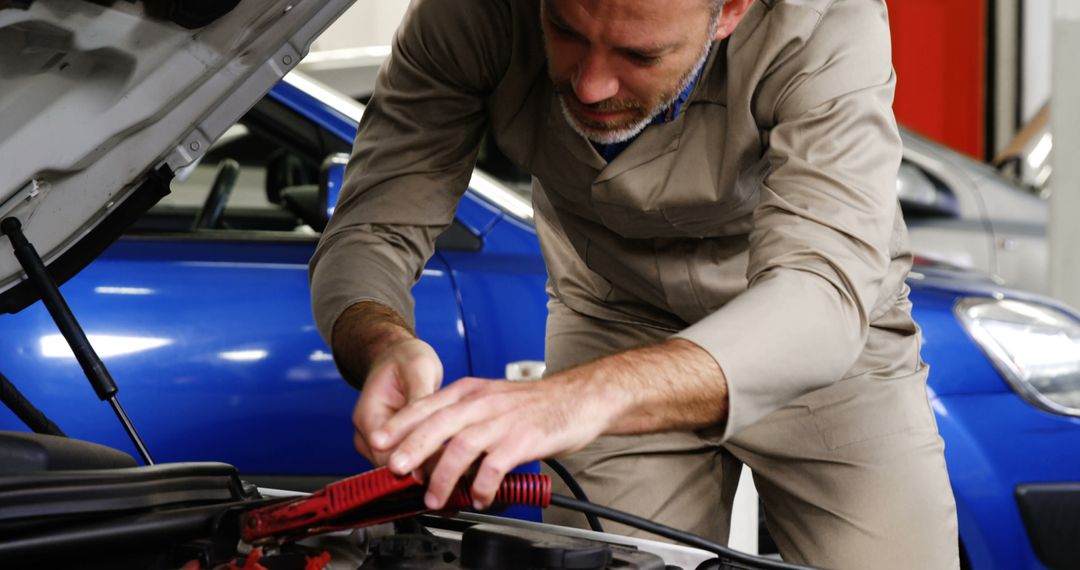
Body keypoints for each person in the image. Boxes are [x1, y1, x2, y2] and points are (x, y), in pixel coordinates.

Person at [309, 0, 959, 567]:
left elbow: (820, 294)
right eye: (565, 31)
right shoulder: (472, 13)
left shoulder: (824, 21)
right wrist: (380, 339)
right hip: (614, 319)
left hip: (822, 345)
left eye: (639, 54)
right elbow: (371, 225)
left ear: (730, 10)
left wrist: (580, 399)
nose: (590, 86)